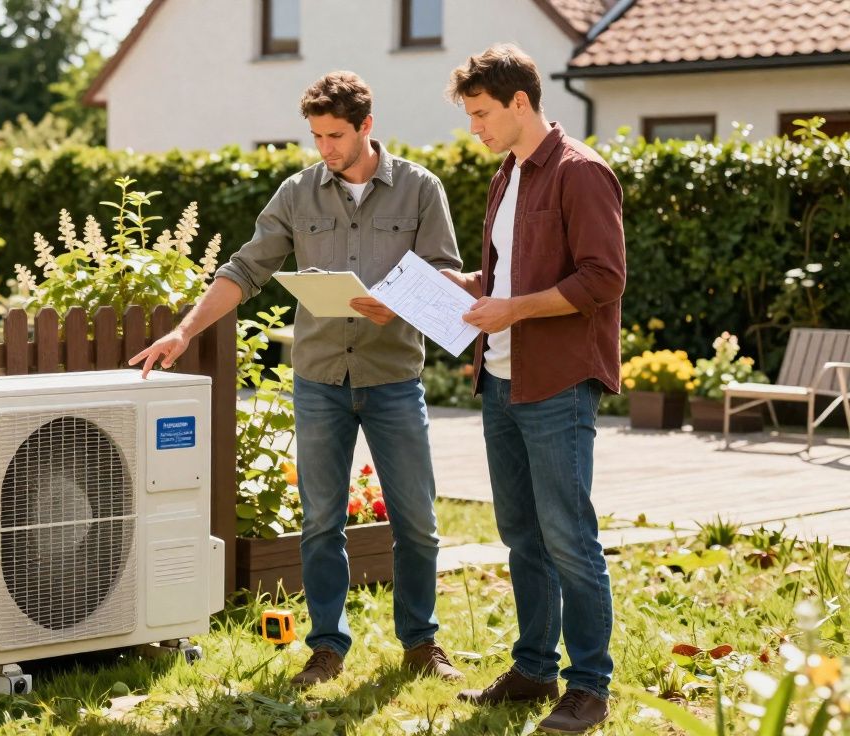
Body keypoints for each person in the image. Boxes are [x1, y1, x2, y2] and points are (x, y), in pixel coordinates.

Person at [129, 71, 464, 687]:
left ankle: (421, 643)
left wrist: (399, 301)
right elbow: (245, 269)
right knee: (320, 522)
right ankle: (327, 646)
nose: (325, 149)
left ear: (367, 125)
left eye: (336, 135)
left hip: (393, 378)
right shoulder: (297, 192)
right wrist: (185, 331)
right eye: (316, 136)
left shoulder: (420, 189)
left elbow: (446, 273)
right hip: (318, 380)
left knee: (416, 520)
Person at [440, 44, 625, 734]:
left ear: (521, 102)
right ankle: (533, 669)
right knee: (521, 534)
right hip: (501, 379)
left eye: (482, 113)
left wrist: (513, 309)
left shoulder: (582, 174)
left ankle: (588, 687)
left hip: (557, 384)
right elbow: (507, 280)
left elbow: (603, 280)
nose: (475, 128)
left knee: (568, 536)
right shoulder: (507, 176)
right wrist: (452, 290)